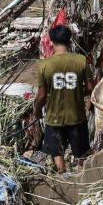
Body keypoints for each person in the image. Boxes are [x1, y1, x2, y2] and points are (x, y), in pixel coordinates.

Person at [32, 25, 91, 173]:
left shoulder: (44, 65)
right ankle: (83, 182)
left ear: (51, 41)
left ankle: (62, 179)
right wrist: (77, 91)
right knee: (82, 156)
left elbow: (41, 95)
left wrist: (37, 111)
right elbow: (90, 88)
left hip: (54, 118)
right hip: (77, 117)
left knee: (57, 154)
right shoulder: (81, 61)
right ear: (69, 41)